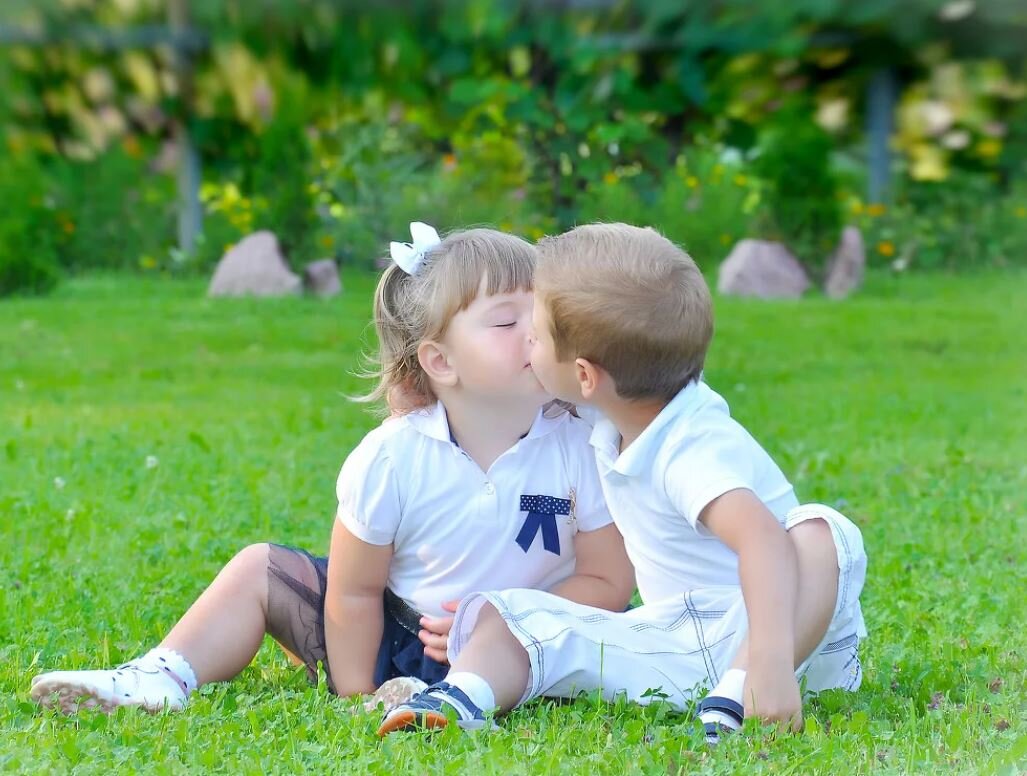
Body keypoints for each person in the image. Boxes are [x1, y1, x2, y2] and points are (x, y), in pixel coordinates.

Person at [30, 223, 634, 715]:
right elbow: (353, 590)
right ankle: (164, 673)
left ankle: (464, 692)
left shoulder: (581, 444)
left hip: (527, 643)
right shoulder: (394, 456)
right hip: (395, 635)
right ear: (440, 361)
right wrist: (357, 696)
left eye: (545, 318)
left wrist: (509, 617)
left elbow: (609, 584)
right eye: (508, 322)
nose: (535, 335)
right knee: (258, 569)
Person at [379, 223, 867, 743]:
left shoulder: (689, 443)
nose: (526, 340)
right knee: (517, 610)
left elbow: (764, 541)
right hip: (670, 645)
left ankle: (738, 696)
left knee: (822, 533)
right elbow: (498, 398)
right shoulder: (613, 410)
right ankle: (465, 694)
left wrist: (767, 664)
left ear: (585, 376)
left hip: (781, 642)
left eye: (536, 333)